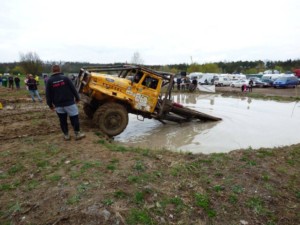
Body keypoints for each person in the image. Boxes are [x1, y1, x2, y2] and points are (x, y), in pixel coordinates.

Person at [46, 65, 85, 141]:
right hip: (69, 103)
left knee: (62, 120)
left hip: (58, 105)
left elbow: (48, 94)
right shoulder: (65, 78)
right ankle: (77, 134)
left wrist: (50, 105)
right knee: (74, 119)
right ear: (60, 70)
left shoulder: (49, 81)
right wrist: (77, 98)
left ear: (52, 71)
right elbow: (73, 89)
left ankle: (66, 135)